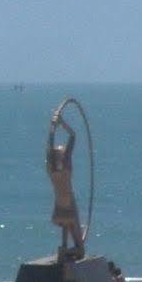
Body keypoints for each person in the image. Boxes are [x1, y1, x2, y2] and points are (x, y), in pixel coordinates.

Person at [46, 109, 85, 259]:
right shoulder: (66, 171)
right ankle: (66, 251)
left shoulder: (52, 171)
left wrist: (52, 130)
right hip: (69, 206)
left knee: (68, 229)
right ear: (63, 157)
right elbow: (73, 135)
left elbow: (49, 151)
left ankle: (64, 248)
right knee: (80, 249)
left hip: (58, 209)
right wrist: (61, 123)